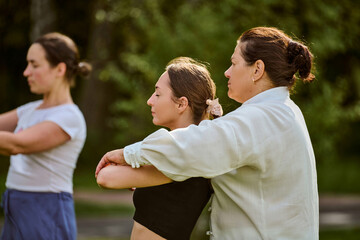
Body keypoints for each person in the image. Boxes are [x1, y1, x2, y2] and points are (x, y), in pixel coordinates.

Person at [96, 26, 319, 239]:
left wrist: (129, 154)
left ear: (257, 70)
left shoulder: (262, 118)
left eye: (234, 63)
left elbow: (195, 144)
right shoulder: (283, 112)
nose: (227, 72)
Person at [96, 57, 223, 240]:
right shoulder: (173, 154)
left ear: (181, 104)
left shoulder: (185, 159)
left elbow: (106, 177)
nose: (150, 101)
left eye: (157, 94)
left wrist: (127, 159)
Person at [0, 32, 91, 240]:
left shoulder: (69, 117)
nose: (26, 72)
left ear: (60, 69)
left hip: (47, 211)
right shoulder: (29, 110)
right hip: (17, 206)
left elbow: (16, 144)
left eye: (34, 65)